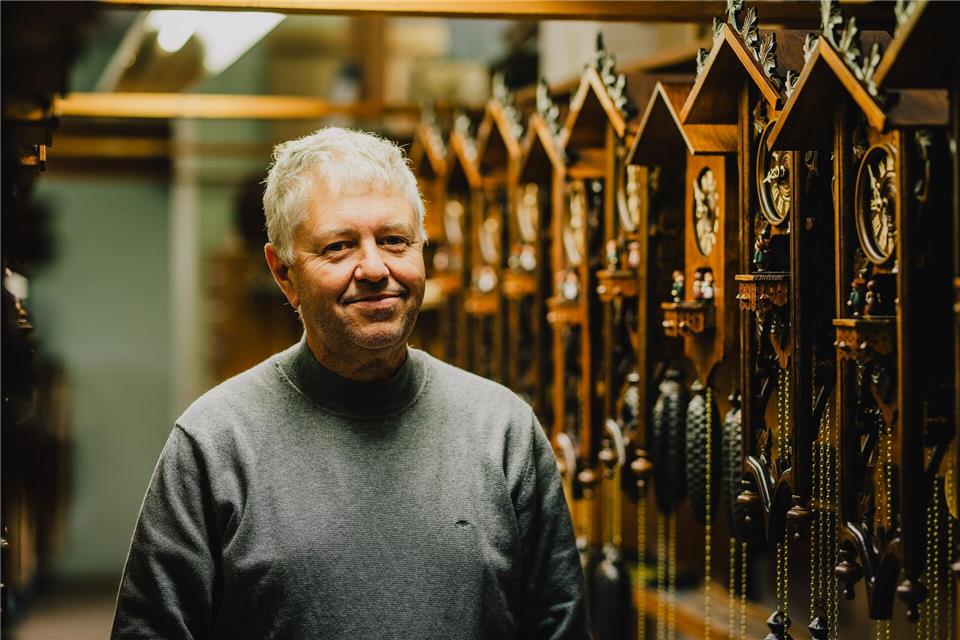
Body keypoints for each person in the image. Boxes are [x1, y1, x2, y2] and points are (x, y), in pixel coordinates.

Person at [111, 127, 588, 640]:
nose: (375, 268)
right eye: (339, 246)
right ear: (284, 274)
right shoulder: (216, 442)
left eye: (394, 240)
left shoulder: (502, 431)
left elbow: (559, 624)